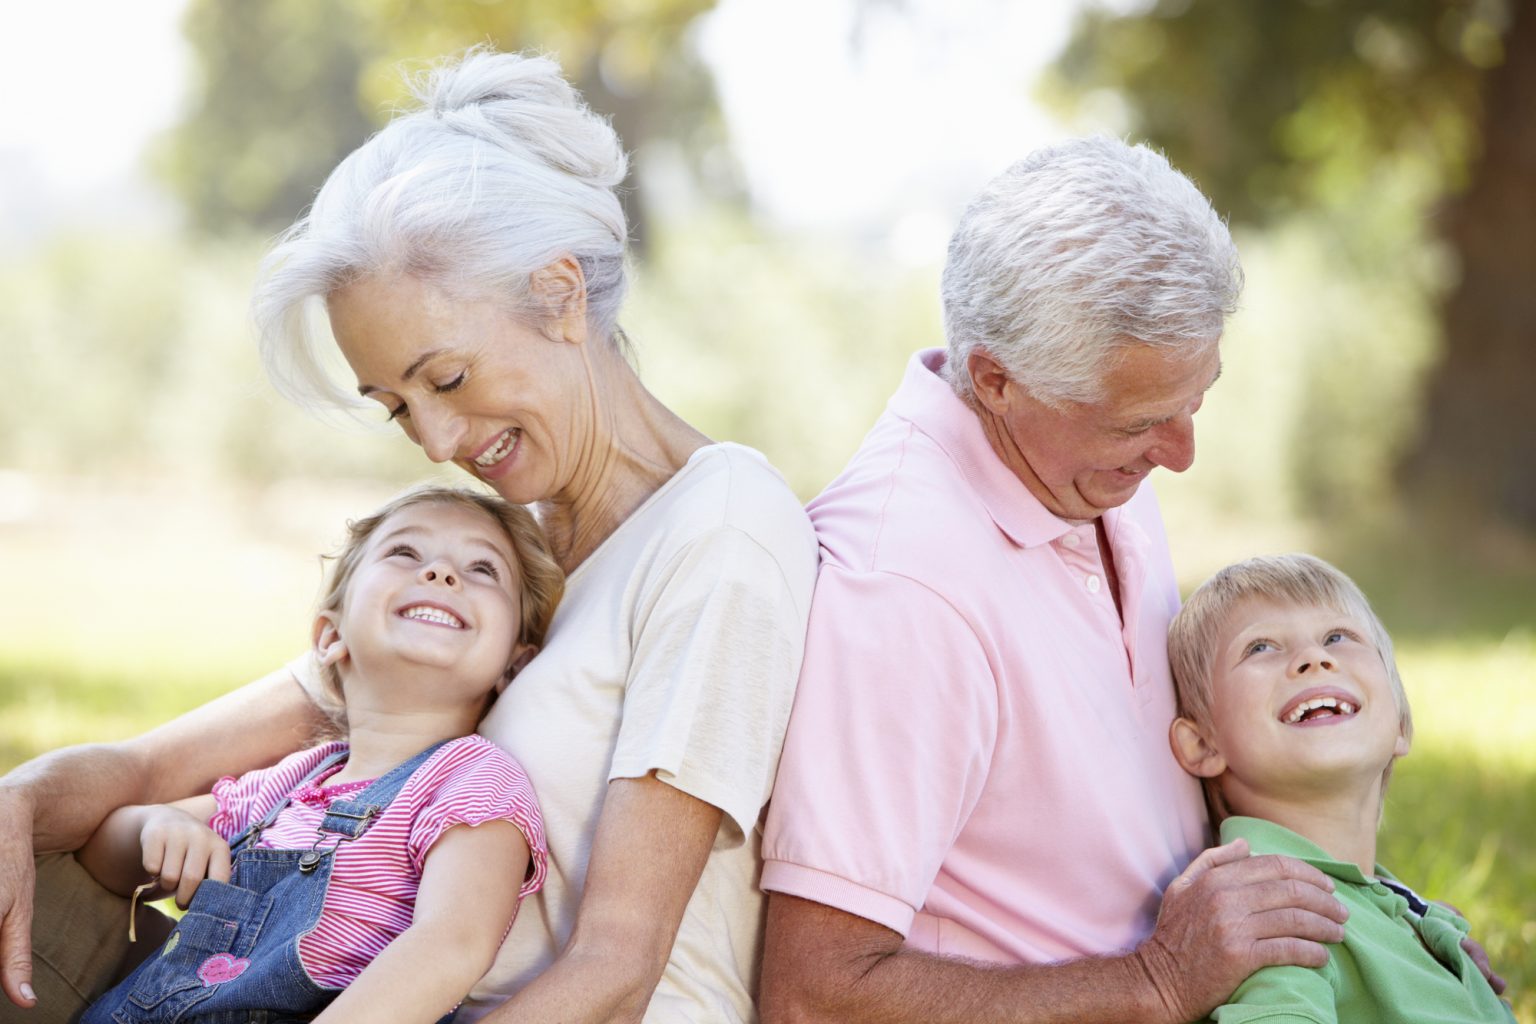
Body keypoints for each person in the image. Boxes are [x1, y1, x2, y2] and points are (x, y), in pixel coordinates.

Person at [0, 48, 817, 1024]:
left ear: (561, 296)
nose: (434, 441)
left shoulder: (719, 530)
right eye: (395, 407)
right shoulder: (508, 558)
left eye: (449, 380)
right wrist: (20, 797)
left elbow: (616, 964)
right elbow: (141, 773)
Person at [757, 137, 1356, 1024]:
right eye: (1142, 425)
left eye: (1197, 401)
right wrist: (1153, 983)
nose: (1181, 456)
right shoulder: (901, 591)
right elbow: (815, 996)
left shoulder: (1077, 467)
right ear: (998, 381)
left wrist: (1383, 929)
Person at [77, 485, 559, 1023]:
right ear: (330, 635)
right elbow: (99, 860)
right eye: (405, 553)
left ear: (514, 668)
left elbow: (452, 946)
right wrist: (158, 826)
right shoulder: (293, 783)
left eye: (483, 569)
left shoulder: (474, 780)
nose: (442, 574)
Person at [1166, 553, 1515, 1024]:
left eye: (1337, 637)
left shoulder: (1401, 913)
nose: (1314, 658)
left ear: (1401, 724)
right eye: (1261, 648)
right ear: (1203, 743)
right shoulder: (1266, 920)